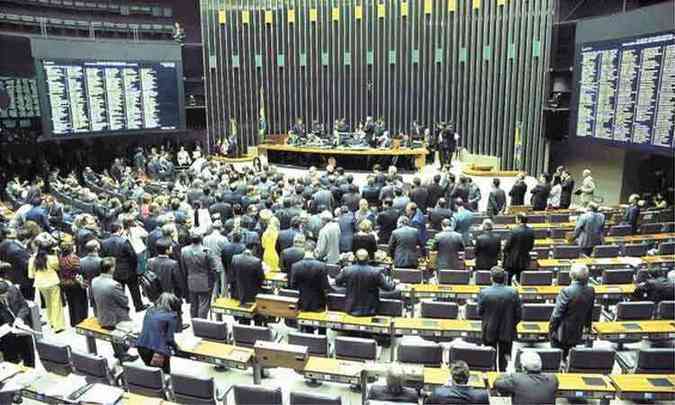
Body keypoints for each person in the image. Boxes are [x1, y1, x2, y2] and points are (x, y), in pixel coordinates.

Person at [91, 257, 137, 362]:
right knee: (130, 330)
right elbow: (124, 301)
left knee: (114, 333)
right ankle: (122, 355)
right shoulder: (114, 284)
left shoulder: (94, 280)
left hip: (102, 315)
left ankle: (119, 351)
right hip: (115, 319)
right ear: (111, 269)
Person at [477, 266, 521, 371]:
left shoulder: (484, 292)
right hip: (507, 330)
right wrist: (511, 323)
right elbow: (519, 315)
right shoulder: (513, 292)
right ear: (505, 278)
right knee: (505, 359)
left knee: (489, 357)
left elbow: (479, 312)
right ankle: (502, 373)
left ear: (491, 278)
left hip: (489, 330)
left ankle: (492, 375)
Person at [549, 263, 596, 360]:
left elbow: (557, 315)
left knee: (557, 358)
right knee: (570, 355)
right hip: (578, 331)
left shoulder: (566, 291)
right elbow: (589, 312)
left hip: (562, 334)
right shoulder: (591, 290)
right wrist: (587, 327)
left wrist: (551, 329)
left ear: (571, 275)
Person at [101, 222, 146, 312]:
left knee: (119, 292)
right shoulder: (124, 241)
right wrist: (134, 267)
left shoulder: (104, 242)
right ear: (119, 229)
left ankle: (122, 308)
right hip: (128, 270)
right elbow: (133, 256)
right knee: (134, 289)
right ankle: (138, 306)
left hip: (113, 270)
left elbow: (103, 256)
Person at [336, 249, 395, 316]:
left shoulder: (347, 270)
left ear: (355, 258)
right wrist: (394, 283)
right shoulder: (376, 272)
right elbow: (388, 287)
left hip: (351, 309)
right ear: (368, 258)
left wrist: (348, 284)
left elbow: (337, 282)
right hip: (370, 310)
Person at [289, 241, 329, 332]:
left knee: (307, 324)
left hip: (303, 301)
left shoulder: (295, 266)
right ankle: (321, 339)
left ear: (304, 250)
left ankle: (309, 338)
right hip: (319, 301)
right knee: (322, 323)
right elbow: (325, 286)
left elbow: (293, 285)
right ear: (314, 250)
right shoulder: (322, 266)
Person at [135, 292, 179, 374]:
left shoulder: (149, 311)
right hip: (157, 351)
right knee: (163, 375)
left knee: (151, 374)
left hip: (142, 347)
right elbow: (169, 338)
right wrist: (176, 347)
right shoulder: (171, 316)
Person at [493, 351, 558, 405]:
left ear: (522, 367)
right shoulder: (553, 379)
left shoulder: (516, 379)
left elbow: (496, 383)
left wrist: (507, 374)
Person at [27, 242, 65, 333]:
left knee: (48, 303)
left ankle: (51, 322)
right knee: (56, 303)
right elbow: (58, 268)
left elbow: (30, 276)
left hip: (40, 284)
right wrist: (56, 255)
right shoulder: (51, 258)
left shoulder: (32, 259)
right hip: (53, 283)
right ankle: (58, 326)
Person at [181, 230, 217, 319]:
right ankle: (202, 325)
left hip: (191, 281)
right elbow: (213, 269)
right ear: (201, 239)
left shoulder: (184, 250)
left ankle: (194, 323)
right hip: (205, 282)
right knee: (204, 305)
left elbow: (183, 267)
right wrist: (214, 280)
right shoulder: (207, 251)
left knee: (194, 305)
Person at [0, 275, 35, 367]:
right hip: (7, 337)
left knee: (29, 358)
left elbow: (24, 306)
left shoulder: (14, 290)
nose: (4, 298)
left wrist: (19, 318)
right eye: (1, 297)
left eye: (5, 295)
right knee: (12, 363)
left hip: (22, 330)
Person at [58, 242, 88, 327]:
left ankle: (73, 321)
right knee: (80, 302)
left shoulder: (61, 258)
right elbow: (79, 270)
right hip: (75, 282)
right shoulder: (74, 258)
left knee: (71, 303)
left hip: (65, 283)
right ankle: (81, 321)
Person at [0, 228, 33, 300]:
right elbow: (26, 265)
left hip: (13, 278)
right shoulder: (15, 249)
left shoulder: (4, 246)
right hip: (23, 280)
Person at [502, 213, 534, 284]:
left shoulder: (514, 231)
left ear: (519, 220)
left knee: (508, 280)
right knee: (521, 281)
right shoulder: (531, 231)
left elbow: (507, 246)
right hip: (524, 260)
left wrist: (505, 251)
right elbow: (531, 247)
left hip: (512, 260)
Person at [203, 221, 229, 298]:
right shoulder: (223, 239)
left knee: (214, 283)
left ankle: (214, 298)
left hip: (210, 263)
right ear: (220, 228)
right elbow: (226, 251)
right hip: (221, 263)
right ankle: (223, 299)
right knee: (224, 283)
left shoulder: (205, 239)